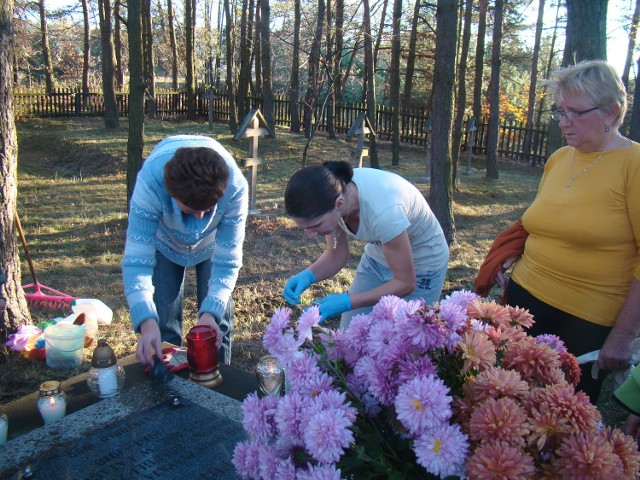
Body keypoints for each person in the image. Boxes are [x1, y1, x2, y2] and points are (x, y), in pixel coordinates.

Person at [482, 60, 640, 404]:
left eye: (575, 112)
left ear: (612, 112)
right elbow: (544, 224)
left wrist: (624, 335)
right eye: (559, 111)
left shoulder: (634, 166)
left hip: (585, 320)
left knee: (561, 415)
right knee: (508, 396)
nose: (563, 122)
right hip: (525, 299)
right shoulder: (559, 157)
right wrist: (513, 256)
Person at [122, 135, 248, 369]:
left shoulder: (235, 188)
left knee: (216, 325)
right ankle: (169, 382)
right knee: (163, 317)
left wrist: (211, 313)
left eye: (207, 210)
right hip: (165, 240)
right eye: (190, 210)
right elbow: (137, 260)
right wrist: (146, 321)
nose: (199, 221)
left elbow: (227, 261)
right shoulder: (150, 182)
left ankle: (217, 382)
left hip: (212, 245)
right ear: (171, 194)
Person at [282, 160, 449, 328]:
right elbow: (336, 254)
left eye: (315, 225)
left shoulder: (384, 213)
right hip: (378, 259)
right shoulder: (331, 194)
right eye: (305, 228)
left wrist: (347, 302)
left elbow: (405, 283)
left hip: (423, 265)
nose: (310, 235)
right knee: (351, 335)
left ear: (339, 204)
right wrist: (308, 275)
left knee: (405, 342)